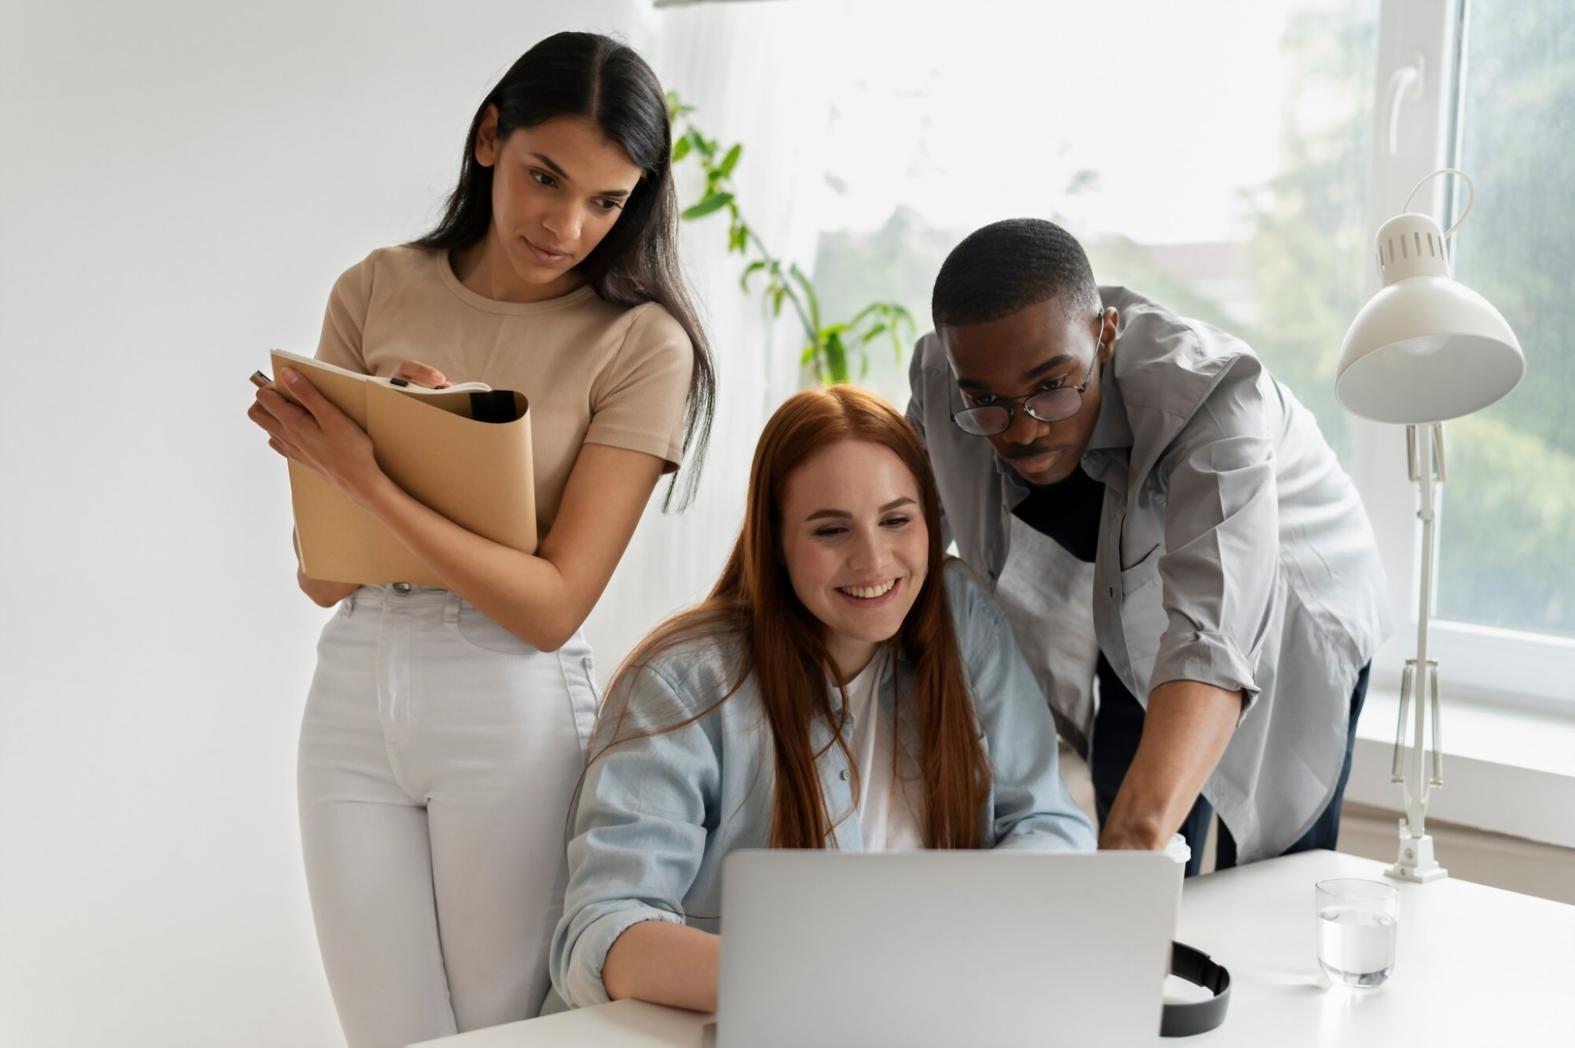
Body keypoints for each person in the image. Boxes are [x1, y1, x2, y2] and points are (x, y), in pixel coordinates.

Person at [245, 32, 715, 1047]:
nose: (566, 224)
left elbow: (552, 605)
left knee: (501, 1037)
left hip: (509, 699)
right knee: (385, 1037)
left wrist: (375, 473)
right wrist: (399, 452)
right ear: (490, 137)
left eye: (606, 201)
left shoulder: (642, 343)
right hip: (354, 684)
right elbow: (323, 575)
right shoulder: (373, 288)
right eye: (546, 177)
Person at [546, 386, 1095, 1014]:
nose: (873, 560)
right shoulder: (683, 681)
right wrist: (825, 986)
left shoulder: (961, 617)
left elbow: (1050, 825)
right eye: (832, 530)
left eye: (897, 520)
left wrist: (947, 947)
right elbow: (604, 931)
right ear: (775, 542)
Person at [907, 217, 1390, 875]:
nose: (1022, 431)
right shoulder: (944, 376)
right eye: (988, 402)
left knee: (1270, 875)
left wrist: (1130, 852)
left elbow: (1211, 644)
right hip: (1135, 607)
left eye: (1051, 387)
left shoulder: (1210, 396)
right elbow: (900, 542)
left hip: (1293, 602)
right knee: (1134, 820)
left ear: (1105, 335)